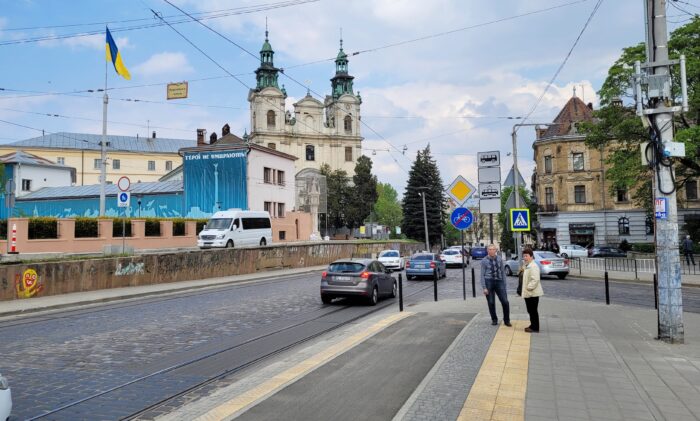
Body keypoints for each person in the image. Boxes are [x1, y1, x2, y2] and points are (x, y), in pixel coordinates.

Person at [480, 244, 511, 327]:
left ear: (496, 250)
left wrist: (504, 284)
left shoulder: (500, 259)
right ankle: (494, 319)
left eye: (493, 249)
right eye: (489, 249)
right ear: (487, 251)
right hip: (488, 281)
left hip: (499, 281)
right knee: (491, 302)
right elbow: (482, 275)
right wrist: (484, 287)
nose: (491, 251)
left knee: (505, 301)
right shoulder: (484, 260)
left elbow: (503, 272)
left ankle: (507, 320)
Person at [521, 248, 544, 333]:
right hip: (529, 293)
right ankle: (532, 325)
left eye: (526, 256)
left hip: (532, 293)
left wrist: (528, 288)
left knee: (533, 310)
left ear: (531, 256)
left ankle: (535, 327)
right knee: (530, 310)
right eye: (524, 256)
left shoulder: (533, 266)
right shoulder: (527, 265)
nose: (525, 258)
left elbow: (535, 280)